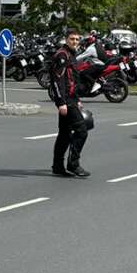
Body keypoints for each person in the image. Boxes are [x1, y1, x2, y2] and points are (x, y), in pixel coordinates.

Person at [48, 28, 90, 177]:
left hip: (71, 99)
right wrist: (61, 103)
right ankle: (73, 164)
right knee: (81, 131)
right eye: (72, 39)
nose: (75, 41)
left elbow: (72, 80)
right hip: (66, 101)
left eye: (77, 39)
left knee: (64, 134)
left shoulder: (71, 55)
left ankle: (57, 166)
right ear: (66, 39)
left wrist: (77, 99)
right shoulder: (62, 55)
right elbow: (57, 80)